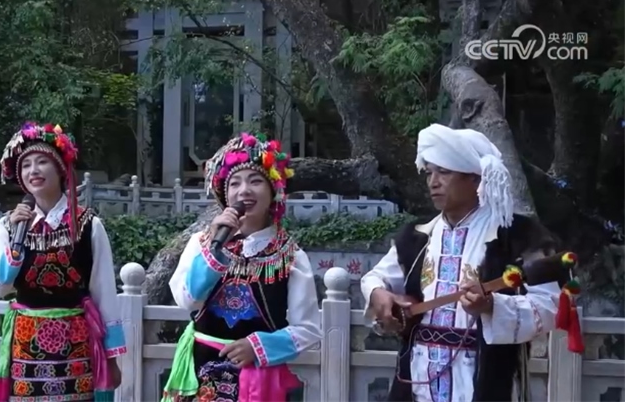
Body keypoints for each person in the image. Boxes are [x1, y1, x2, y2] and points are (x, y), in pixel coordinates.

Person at [360, 124, 561, 402]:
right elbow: (375, 278)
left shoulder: (518, 236)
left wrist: (493, 307)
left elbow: (549, 306)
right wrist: (378, 293)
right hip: (419, 380)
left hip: (486, 381)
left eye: (444, 172)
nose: (433, 182)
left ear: (475, 179)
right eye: (429, 172)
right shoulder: (417, 237)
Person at [162, 132, 322, 402]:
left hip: (259, 376)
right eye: (235, 183)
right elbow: (187, 301)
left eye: (255, 181)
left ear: (273, 191)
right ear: (225, 195)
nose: (244, 190)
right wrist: (216, 249)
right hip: (199, 373)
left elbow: (308, 329)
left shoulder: (291, 255)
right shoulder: (202, 243)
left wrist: (258, 347)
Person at [0, 122, 124, 402]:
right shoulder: (9, 226)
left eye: (42, 162)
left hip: (77, 342)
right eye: (26, 166)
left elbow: (104, 292)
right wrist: (15, 246)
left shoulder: (88, 224)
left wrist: (111, 357)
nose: (33, 171)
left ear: (60, 169)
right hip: (25, 345)